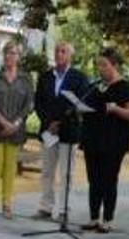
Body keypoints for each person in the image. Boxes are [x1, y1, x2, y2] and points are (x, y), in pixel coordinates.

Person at [79, 48, 129, 233]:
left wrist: (116, 109)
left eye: (104, 65)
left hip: (113, 141)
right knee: (93, 179)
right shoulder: (95, 86)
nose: (100, 68)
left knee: (108, 179)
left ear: (115, 65)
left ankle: (108, 218)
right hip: (93, 138)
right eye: (98, 65)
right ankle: (93, 217)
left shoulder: (124, 87)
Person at [32, 41, 89, 222]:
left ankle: (64, 209)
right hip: (49, 130)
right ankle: (45, 207)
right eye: (57, 51)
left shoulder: (79, 77)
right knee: (47, 171)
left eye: (63, 51)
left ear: (70, 55)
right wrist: (49, 122)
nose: (59, 54)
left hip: (68, 131)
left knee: (66, 173)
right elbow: (38, 102)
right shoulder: (46, 76)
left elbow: (79, 103)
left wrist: (60, 123)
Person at [0, 41, 33, 219]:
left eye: (13, 53)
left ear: (19, 57)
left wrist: (16, 123)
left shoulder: (26, 79)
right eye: (6, 53)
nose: (9, 56)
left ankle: (7, 204)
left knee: (10, 169)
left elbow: (29, 105)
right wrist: (4, 123)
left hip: (16, 130)